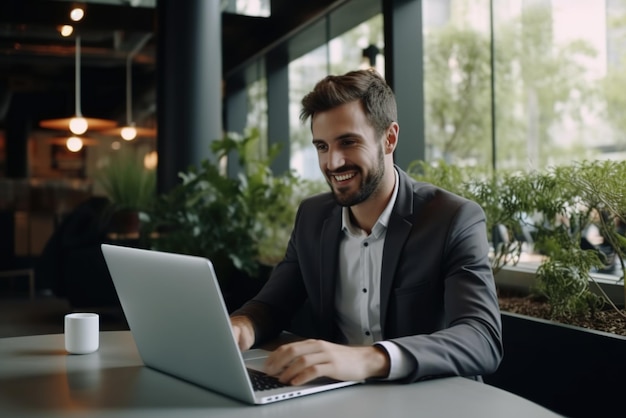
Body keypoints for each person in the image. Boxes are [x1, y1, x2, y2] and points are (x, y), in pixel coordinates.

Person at [230, 68, 503, 386]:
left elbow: (482, 338)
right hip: (339, 399)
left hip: (429, 399)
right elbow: (273, 304)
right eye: (322, 147)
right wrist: (243, 326)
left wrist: (370, 357)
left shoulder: (453, 218)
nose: (333, 163)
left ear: (389, 138)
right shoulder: (312, 217)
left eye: (348, 142)